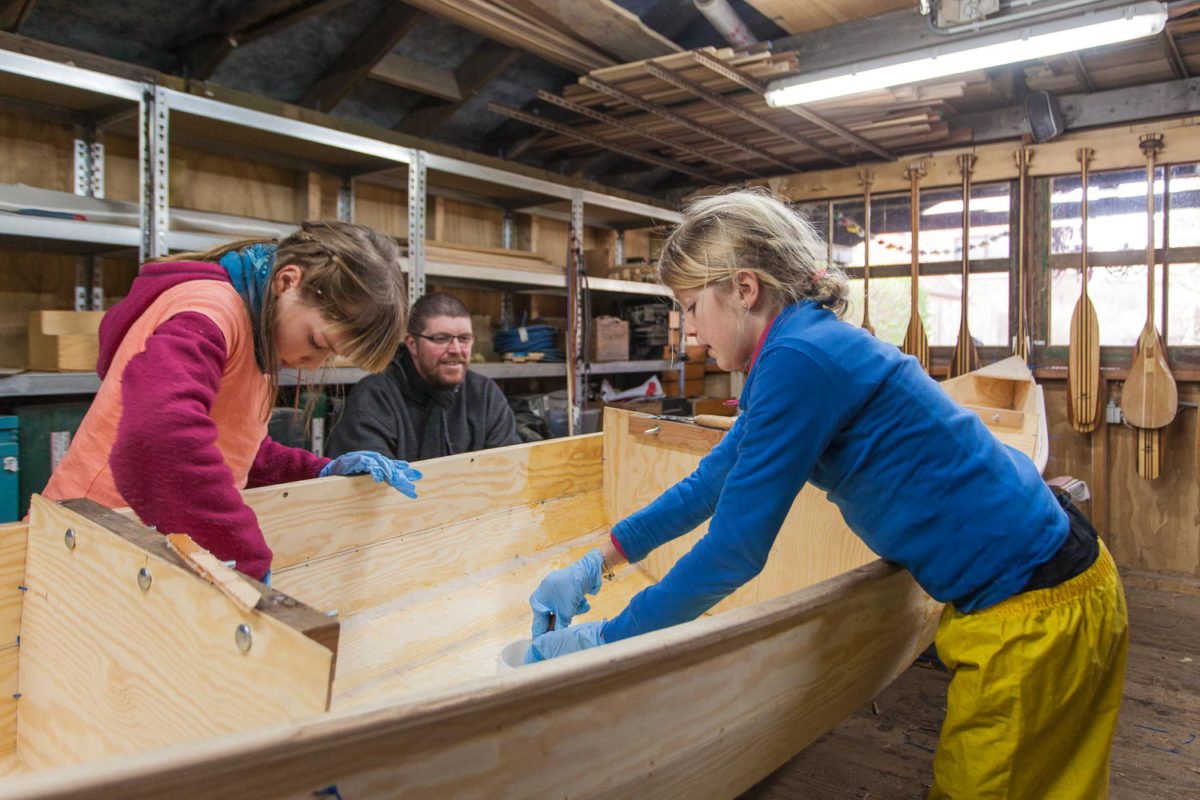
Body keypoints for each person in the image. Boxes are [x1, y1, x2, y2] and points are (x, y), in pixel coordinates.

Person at [522, 190, 1128, 799]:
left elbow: (735, 551)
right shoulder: (798, 349)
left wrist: (610, 641)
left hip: (1033, 611)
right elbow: (713, 481)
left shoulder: (799, 360)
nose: (692, 332)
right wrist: (599, 561)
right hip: (1044, 585)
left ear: (744, 288)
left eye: (692, 306)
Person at [41, 221, 423, 582]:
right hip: (90, 542)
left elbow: (230, 447)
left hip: (140, 546)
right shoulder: (208, 314)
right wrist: (242, 556)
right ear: (288, 281)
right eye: (317, 343)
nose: (313, 364)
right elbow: (157, 439)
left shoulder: (259, 329)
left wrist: (317, 472)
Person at [327, 291, 520, 461]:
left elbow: (507, 470)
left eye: (464, 339)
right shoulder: (375, 399)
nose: (456, 349)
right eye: (441, 339)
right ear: (412, 344)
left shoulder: (485, 395)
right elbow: (370, 489)